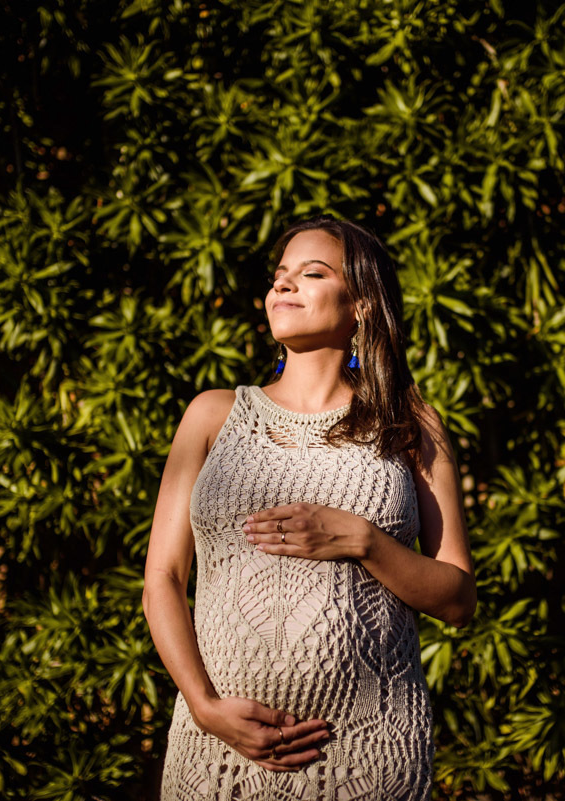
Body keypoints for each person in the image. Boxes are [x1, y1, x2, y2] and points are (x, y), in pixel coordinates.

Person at [142, 215, 476, 801]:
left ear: (362, 304)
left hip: (368, 757)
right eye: (280, 275)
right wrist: (204, 706)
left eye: (312, 273)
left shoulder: (409, 424)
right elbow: (163, 579)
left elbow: (458, 599)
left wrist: (363, 540)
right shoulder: (212, 415)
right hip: (218, 753)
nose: (283, 284)